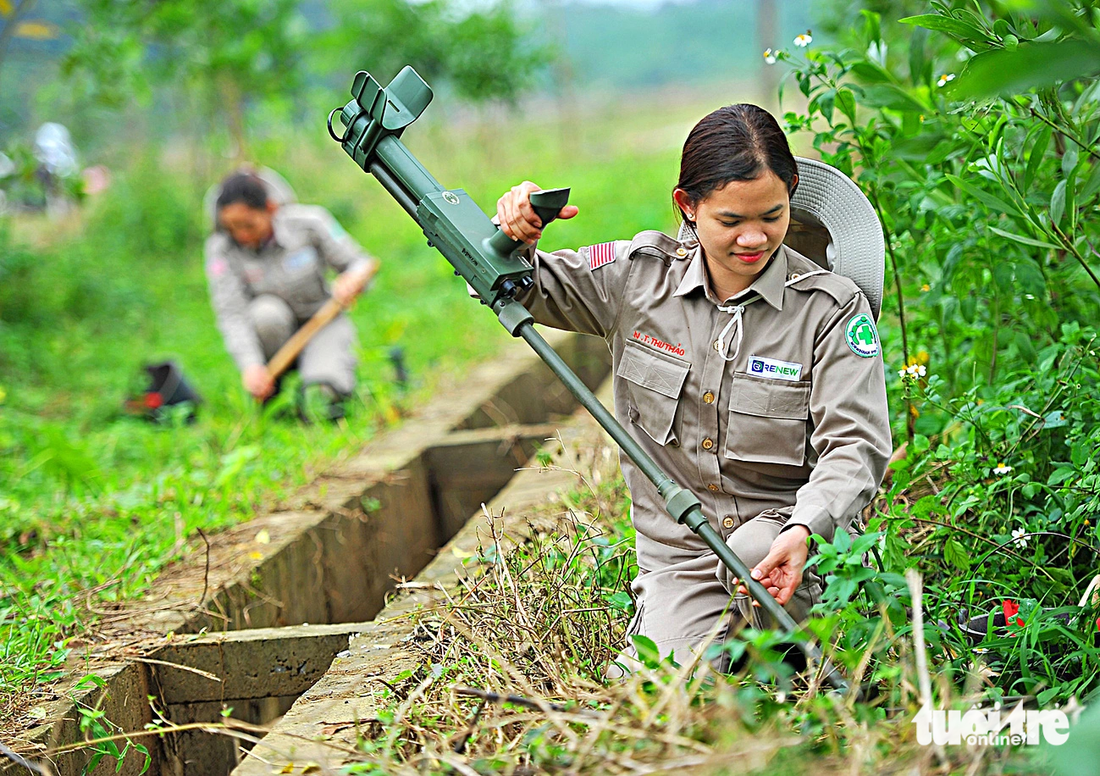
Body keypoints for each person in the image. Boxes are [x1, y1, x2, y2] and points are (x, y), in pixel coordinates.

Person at [494, 104, 892, 670]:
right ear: (688, 206)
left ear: (793, 193)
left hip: (791, 547)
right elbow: (518, 285)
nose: (754, 239)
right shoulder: (636, 278)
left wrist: (807, 527)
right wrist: (513, 234)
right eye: (730, 222)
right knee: (658, 692)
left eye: (772, 216)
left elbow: (856, 445)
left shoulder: (828, 309)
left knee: (771, 589)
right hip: (682, 559)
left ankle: (806, 663)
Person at [205, 170, 378, 414]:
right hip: (272, 335)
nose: (242, 235)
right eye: (232, 228)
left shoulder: (310, 222)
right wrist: (251, 366)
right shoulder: (221, 249)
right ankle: (271, 390)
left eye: (248, 225)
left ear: (270, 208)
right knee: (266, 314)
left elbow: (361, 263)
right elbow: (231, 313)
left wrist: (351, 279)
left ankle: (324, 379)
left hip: (321, 323)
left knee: (322, 398)